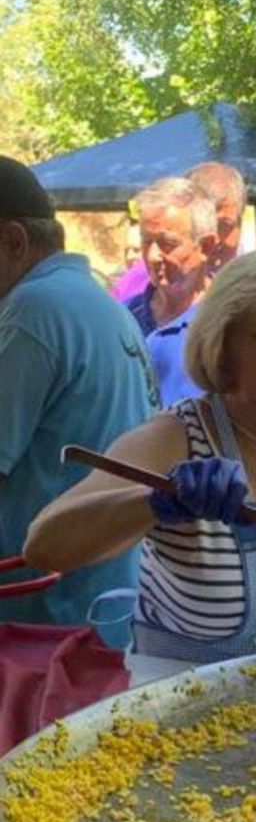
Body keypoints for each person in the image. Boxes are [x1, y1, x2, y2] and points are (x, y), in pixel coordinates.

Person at [24, 251, 256, 663]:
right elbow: (45, 546)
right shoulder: (176, 438)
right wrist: (155, 502)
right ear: (223, 345)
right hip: (185, 701)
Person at [0, 156, 156, 627]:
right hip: (99, 602)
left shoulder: (34, 308)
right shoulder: (96, 301)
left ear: (13, 241)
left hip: (43, 616)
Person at [122, 177, 216, 407]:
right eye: (146, 241)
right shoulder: (122, 318)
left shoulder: (230, 323)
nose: (153, 256)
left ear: (205, 246)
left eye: (168, 244)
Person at [187, 161, 247, 273]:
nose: (214, 240)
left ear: (240, 223)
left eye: (223, 226)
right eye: (203, 227)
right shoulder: (152, 283)